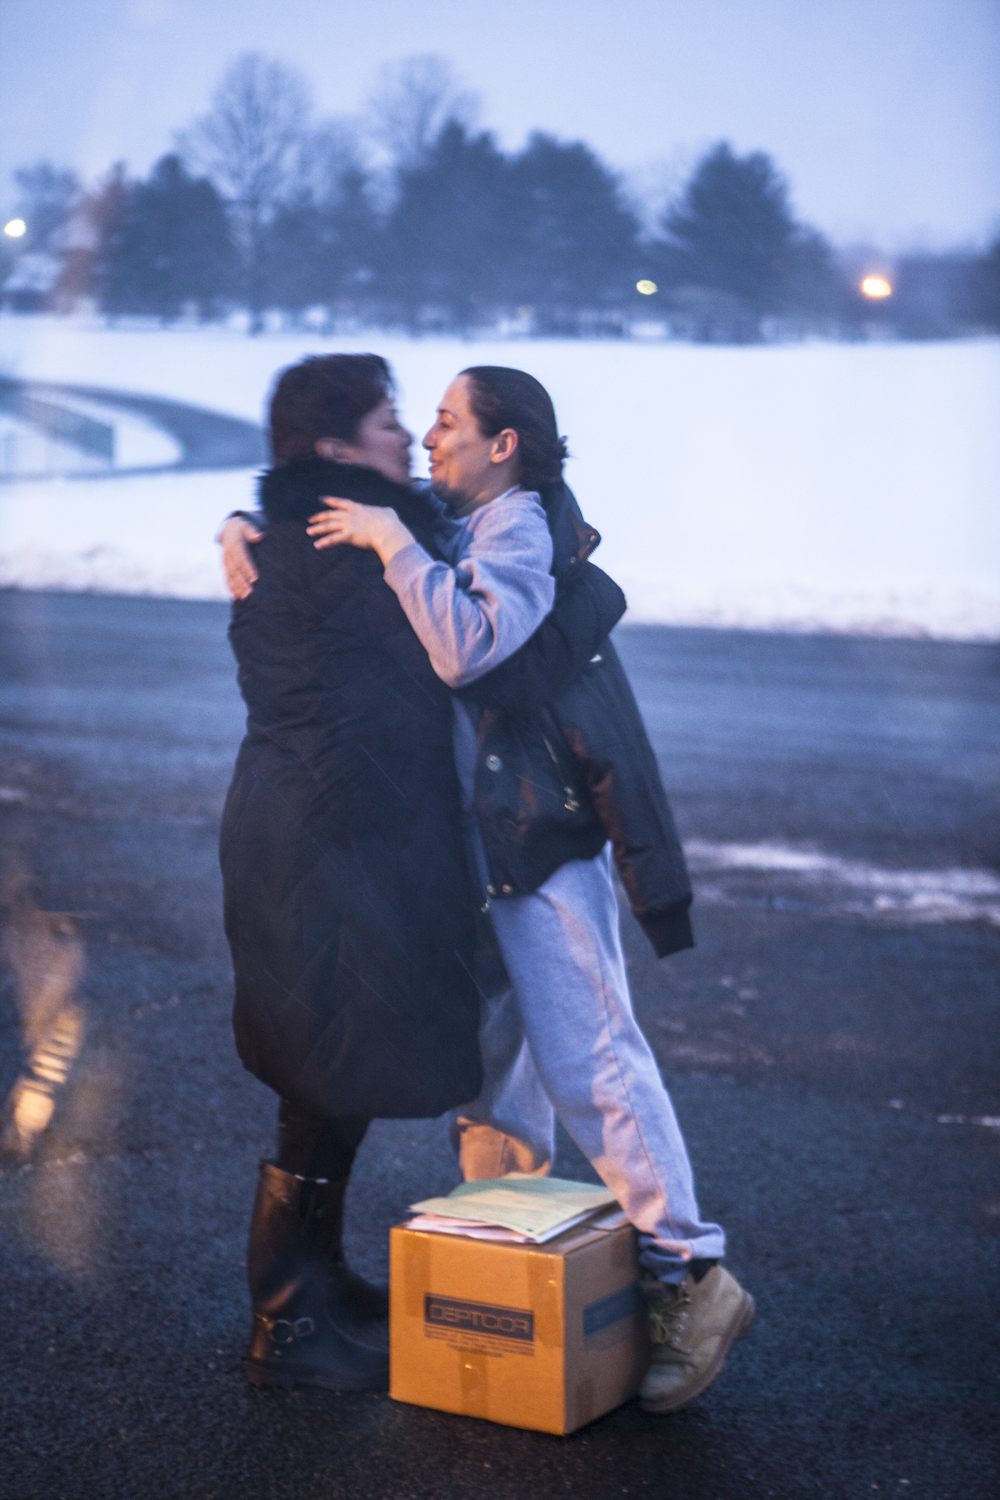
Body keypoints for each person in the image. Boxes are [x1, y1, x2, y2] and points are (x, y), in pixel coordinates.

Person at [295, 366, 755, 1415]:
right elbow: (328, 513)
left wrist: (394, 544)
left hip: (538, 842)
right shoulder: (470, 525)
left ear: (503, 445)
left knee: (591, 1059)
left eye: (449, 423)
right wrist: (248, 525)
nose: (429, 440)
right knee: (494, 1076)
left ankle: (692, 1272)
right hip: (475, 853)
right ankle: (505, 1256)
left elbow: (468, 648)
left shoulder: (518, 528)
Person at [218, 354, 625, 1394]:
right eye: (390, 423)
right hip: (330, 843)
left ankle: (312, 1280)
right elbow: (487, 657)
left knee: (327, 1072)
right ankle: (287, 1315)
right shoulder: (342, 546)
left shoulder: (303, 534)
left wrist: (239, 519)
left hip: (311, 832)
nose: (408, 439)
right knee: (322, 1073)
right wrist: (595, 592)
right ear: (336, 451)